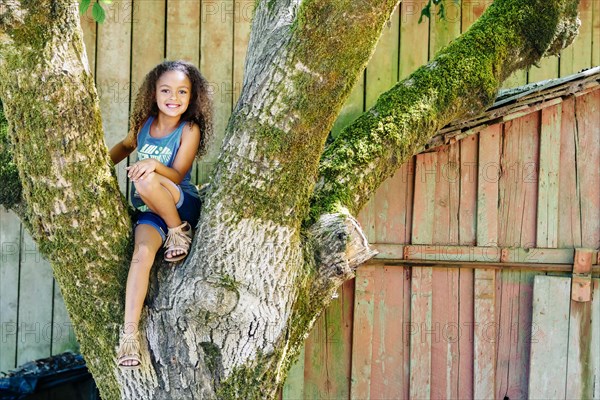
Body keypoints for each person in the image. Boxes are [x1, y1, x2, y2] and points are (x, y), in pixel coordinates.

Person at [109, 60, 212, 369]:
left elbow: (179, 173)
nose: (174, 97)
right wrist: (98, 164)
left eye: (182, 91)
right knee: (141, 255)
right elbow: (126, 146)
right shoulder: (143, 125)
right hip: (150, 210)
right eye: (166, 90)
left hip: (180, 202)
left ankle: (178, 231)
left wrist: (151, 166)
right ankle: (129, 337)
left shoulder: (189, 128)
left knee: (145, 179)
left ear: (192, 96)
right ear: (153, 93)